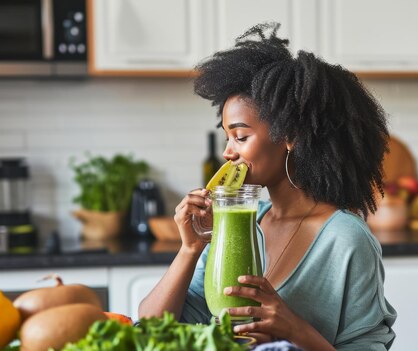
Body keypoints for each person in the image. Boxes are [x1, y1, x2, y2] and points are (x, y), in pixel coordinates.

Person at [139, 22, 397, 350]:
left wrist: (294, 331)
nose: (227, 152)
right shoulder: (238, 225)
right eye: (227, 136)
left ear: (290, 136)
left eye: (241, 136)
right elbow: (150, 328)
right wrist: (190, 248)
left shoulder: (346, 239)